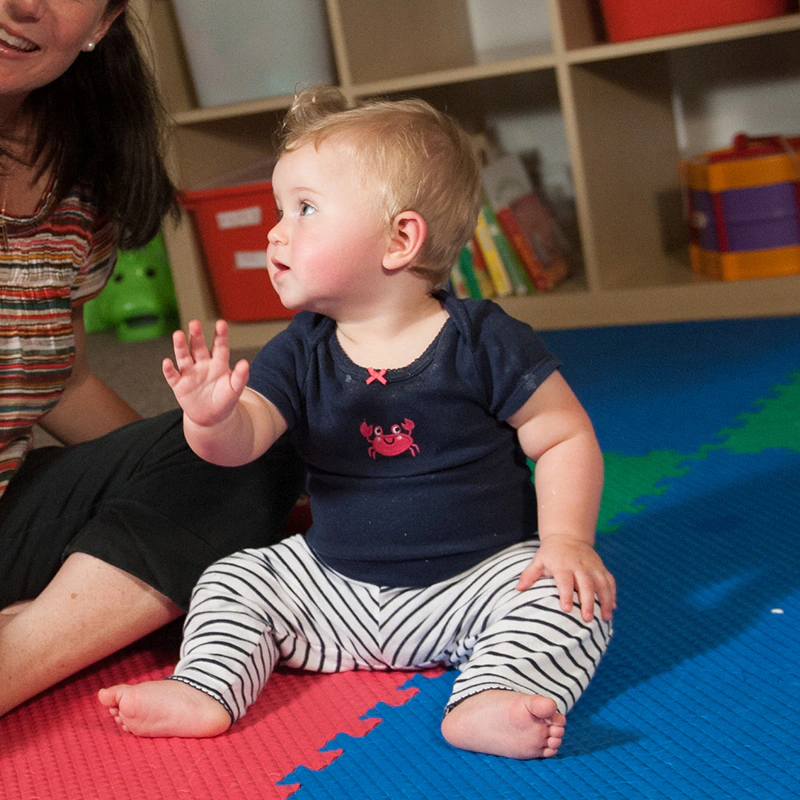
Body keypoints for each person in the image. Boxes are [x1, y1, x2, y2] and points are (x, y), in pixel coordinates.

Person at [99, 86, 616, 759]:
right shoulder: (303, 346)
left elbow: (564, 436)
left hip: (475, 586)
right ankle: (208, 687)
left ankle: (491, 696)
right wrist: (212, 417)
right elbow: (243, 442)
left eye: (305, 209)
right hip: (332, 591)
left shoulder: (484, 339)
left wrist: (568, 540)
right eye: (278, 210)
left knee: (574, 598)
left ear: (402, 238)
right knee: (234, 578)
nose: (275, 232)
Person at [0, 1, 303, 718]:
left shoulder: (77, 173)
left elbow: (61, 374)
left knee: (243, 447)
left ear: (102, 23)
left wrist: (192, 475)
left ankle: (22, 649)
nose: (22, 3)